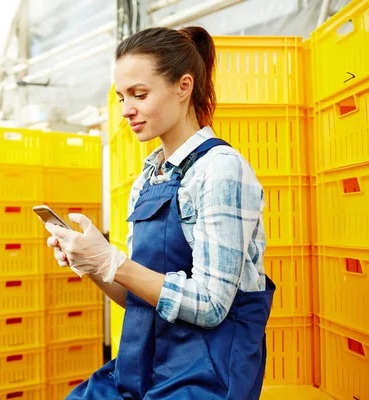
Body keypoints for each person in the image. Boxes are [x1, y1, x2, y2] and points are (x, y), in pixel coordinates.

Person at [45, 26, 275, 400]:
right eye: (121, 97)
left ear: (183, 87)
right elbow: (138, 298)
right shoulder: (148, 179)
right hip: (144, 362)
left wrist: (113, 261)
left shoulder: (220, 170)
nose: (125, 110)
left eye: (139, 94)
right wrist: (93, 265)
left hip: (206, 374)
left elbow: (212, 305)